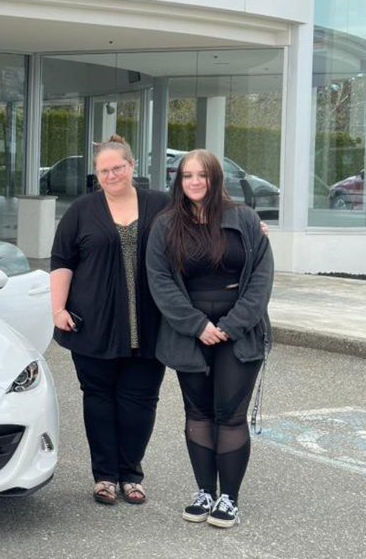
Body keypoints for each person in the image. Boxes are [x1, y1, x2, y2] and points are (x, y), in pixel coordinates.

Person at [145, 149, 273, 529]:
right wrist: (196, 324)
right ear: (178, 181)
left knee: (230, 415)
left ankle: (228, 499)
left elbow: (262, 279)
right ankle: (204, 490)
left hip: (240, 331)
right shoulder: (166, 225)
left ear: (216, 179)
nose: (194, 182)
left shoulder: (246, 219)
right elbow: (160, 281)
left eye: (202, 175)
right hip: (190, 331)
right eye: (187, 176)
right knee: (197, 414)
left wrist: (232, 325)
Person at [50, 135, 170, 506]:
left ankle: (131, 474)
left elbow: (203, 220)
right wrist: (58, 310)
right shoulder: (81, 211)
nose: (111, 175)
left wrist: (249, 225)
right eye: (104, 170)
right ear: (97, 174)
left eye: (118, 167)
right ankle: (104, 476)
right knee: (98, 399)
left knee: (140, 401)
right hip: (93, 324)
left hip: (149, 326)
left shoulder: (162, 205)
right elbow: (61, 261)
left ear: (132, 166)